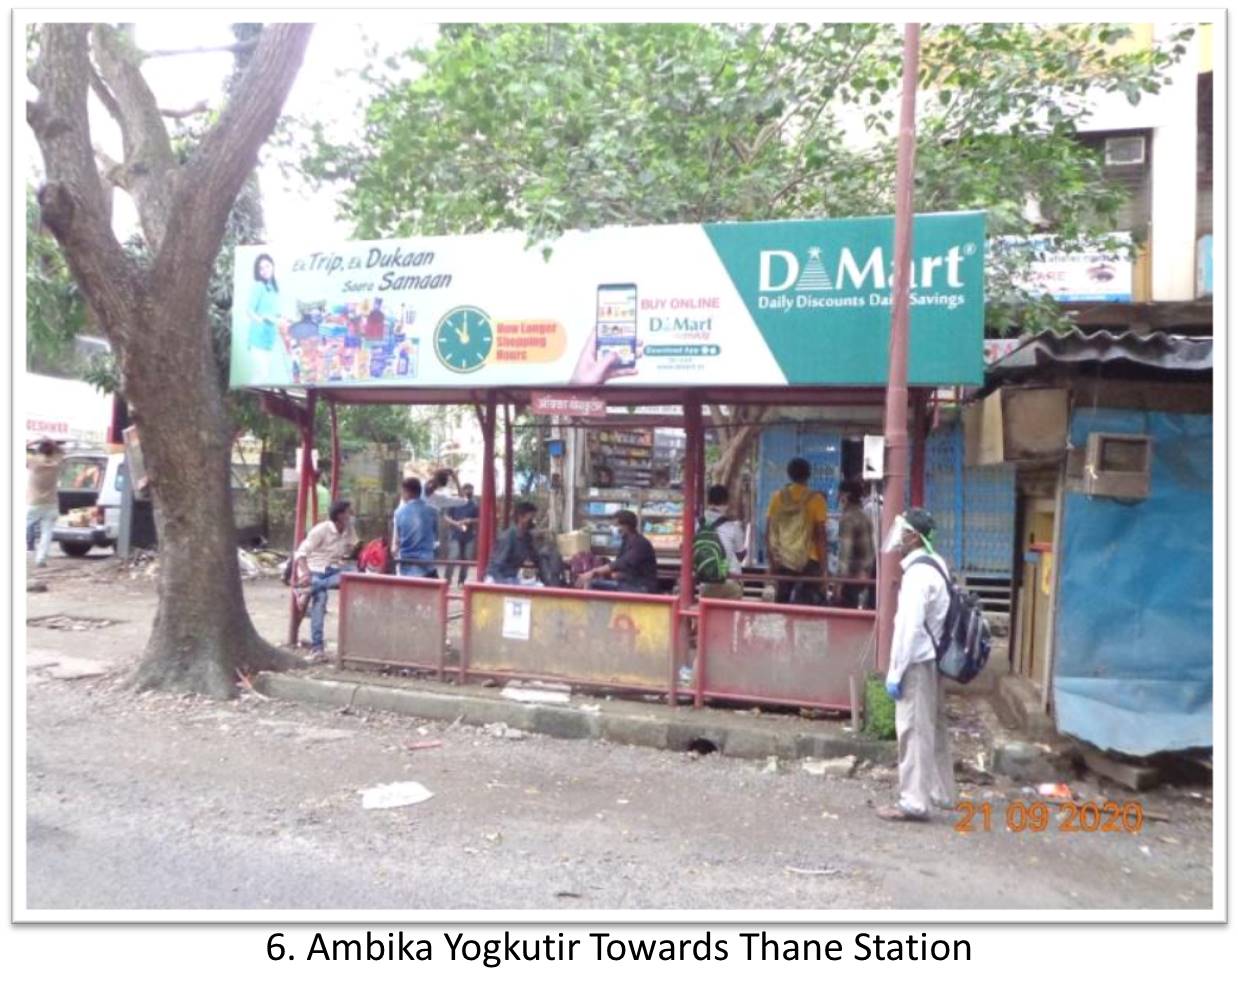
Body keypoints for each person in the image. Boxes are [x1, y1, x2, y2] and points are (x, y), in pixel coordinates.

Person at [876, 507, 957, 823]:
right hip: (932, 660)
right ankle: (941, 792)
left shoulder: (917, 575)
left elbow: (908, 629)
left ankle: (914, 801)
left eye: (902, 532)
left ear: (913, 536)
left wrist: (895, 672)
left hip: (917, 663)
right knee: (934, 729)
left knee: (913, 730)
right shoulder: (936, 564)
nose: (898, 538)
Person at [293, 498, 360, 661]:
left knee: (355, 575)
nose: (351, 515)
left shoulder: (349, 529)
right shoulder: (321, 530)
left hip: (335, 568)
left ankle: (311, 587)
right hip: (316, 568)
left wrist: (358, 550)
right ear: (339, 515)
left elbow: (353, 547)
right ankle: (317, 648)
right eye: (348, 512)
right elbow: (300, 553)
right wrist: (306, 573)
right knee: (320, 601)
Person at [764, 457, 828, 605]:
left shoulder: (777, 497)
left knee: (783, 604)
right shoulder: (816, 499)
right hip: (809, 560)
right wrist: (824, 568)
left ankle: (785, 627)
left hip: (783, 560)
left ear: (789, 474)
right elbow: (820, 536)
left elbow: (769, 531)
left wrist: (772, 561)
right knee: (809, 604)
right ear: (809, 475)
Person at [579, 510, 659, 593]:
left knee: (594, 585)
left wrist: (594, 572)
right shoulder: (626, 540)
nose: (614, 528)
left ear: (626, 526)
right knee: (593, 583)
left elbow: (621, 563)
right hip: (629, 583)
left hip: (641, 587)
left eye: (616, 525)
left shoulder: (640, 543)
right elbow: (620, 567)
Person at [700, 483, 747, 600]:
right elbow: (740, 554)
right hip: (729, 581)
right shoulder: (733, 527)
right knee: (729, 615)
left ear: (708, 501)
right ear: (726, 503)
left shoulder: (697, 524)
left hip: (706, 583)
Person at [836, 479, 876, 608]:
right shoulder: (864, 516)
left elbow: (845, 554)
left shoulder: (848, 519)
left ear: (845, 496)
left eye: (840, 494)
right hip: (865, 575)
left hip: (851, 577)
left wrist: (839, 583)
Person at [246, 254, 285, 384]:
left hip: (269, 338)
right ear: (258, 272)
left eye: (267, 266)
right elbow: (249, 310)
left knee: (264, 376)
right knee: (260, 375)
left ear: (272, 266)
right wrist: (261, 320)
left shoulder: (274, 288)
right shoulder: (258, 286)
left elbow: (276, 313)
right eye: (261, 268)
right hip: (258, 338)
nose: (265, 270)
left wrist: (282, 319)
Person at [391, 477, 440, 578]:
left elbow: (396, 543)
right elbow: (435, 536)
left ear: (406, 492)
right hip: (427, 566)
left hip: (406, 567)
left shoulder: (398, 513)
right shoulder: (433, 511)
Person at [27, 438, 64, 568]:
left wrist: (34, 440)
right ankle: (41, 559)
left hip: (34, 502)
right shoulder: (56, 463)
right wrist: (52, 442)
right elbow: (61, 452)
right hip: (52, 503)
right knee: (47, 532)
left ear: (39, 450)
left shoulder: (34, 462)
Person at [485, 501, 542, 584]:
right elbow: (495, 567)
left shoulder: (527, 537)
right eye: (531, 518)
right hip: (498, 580)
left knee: (539, 586)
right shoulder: (507, 537)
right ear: (521, 517)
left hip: (512, 578)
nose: (534, 522)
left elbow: (534, 557)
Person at [444, 482, 480, 585]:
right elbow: (446, 517)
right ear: (462, 491)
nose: (469, 491)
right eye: (467, 489)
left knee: (467, 558)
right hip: (455, 533)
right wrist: (455, 523)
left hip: (469, 535)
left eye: (471, 490)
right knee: (453, 556)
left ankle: (461, 581)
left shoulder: (474, 504)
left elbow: (479, 519)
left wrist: (470, 520)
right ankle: (447, 580)